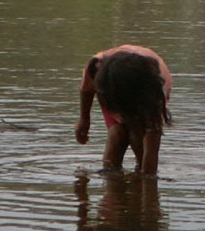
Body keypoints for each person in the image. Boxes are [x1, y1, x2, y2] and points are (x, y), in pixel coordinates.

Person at [74, 45, 172, 176]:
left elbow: (152, 144)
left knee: (138, 136)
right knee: (117, 133)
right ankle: (111, 179)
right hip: (112, 88)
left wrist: (148, 178)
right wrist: (84, 119)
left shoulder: (154, 91)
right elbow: (86, 90)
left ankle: (137, 172)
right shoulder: (97, 67)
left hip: (143, 92)